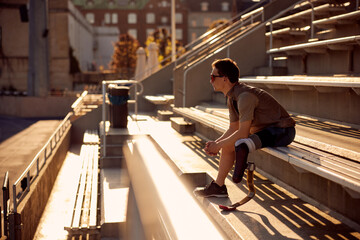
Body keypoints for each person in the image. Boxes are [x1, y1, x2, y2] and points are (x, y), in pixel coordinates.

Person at [194, 58, 296, 198]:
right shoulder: (232, 97)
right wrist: (216, 143)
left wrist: (218, 145)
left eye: (213, 77)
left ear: (225, 78)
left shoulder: (244, 96)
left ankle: (244, 147)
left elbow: (242, 132)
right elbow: (233, 128)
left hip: (283, 131)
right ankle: (219, 186)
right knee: (230, 144)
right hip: (262, 132)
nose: (210, 80)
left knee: (241, 141)